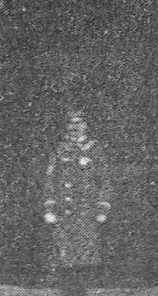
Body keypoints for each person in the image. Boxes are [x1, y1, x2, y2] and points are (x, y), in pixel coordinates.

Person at [43, 110, 111, 296]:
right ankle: (68, 289)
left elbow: (104, 180)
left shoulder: (95, 149)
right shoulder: (59, 149)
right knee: (64, 251)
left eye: (79, 122)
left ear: (86, 125)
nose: (74, 127)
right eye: (71, 123)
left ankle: (81, 289)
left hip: (87, 210)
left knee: (85, 250)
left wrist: (103, 207)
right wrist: (49, 207)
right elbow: (50, 179)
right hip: (64, 210)